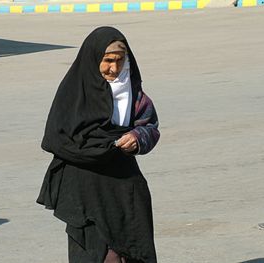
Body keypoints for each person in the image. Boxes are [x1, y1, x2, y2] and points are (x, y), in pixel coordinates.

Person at [37, 26, 160, 263]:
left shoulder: (133, 92)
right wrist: (95, 149)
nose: (114, 68)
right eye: (107, 60)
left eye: (120, 60)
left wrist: (137, 137)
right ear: (93, 59)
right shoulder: (74, 92)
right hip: (83, 188)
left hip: (123, 186)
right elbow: (56, 138)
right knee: (95, 253)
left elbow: (150, 125)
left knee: (131, 248)